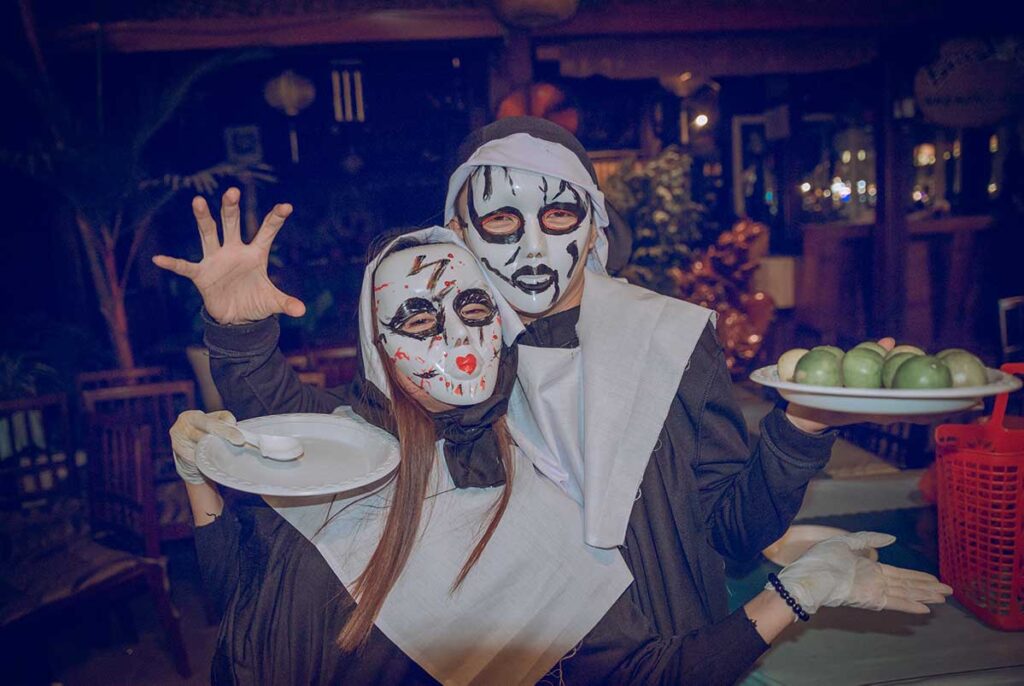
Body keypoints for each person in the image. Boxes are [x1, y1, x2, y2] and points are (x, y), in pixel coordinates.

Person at [156, 192, 951, 684]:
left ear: (503, 326)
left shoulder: (546, 483)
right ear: (380, 348)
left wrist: (799, 591)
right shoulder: (340, 443)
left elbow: (643, 672)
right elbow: (236, 597)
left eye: (473, 309)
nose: (457, 339)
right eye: (419, 318)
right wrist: (204, 467)